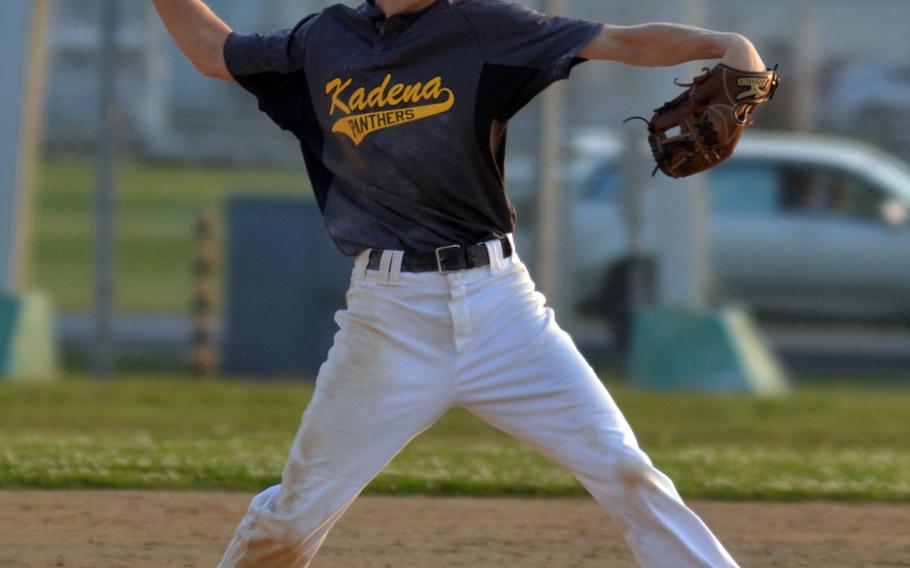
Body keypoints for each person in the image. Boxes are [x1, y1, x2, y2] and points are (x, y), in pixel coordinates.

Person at [152, 1, 768, 566]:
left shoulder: (482, 29)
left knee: (624, 468)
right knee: (292, 518)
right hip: (388, 320)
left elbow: (622, 42)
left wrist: (724, 42)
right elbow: (214, 53)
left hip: (502, 308)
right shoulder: (322, 42)